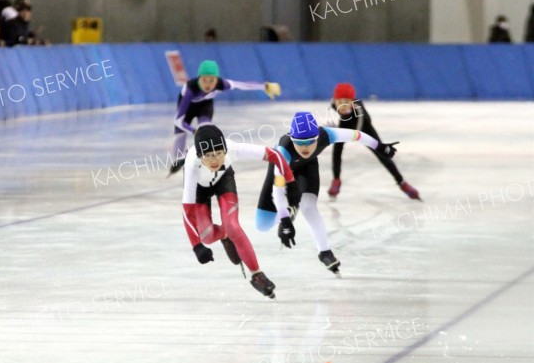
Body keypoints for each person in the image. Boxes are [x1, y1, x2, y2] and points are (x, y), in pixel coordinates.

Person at [256, 111, 398, 275]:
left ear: (317, 137)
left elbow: (357, 135)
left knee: (309, 207)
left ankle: (324, 252)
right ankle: (291, 208)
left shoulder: (327, 134)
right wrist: (285, 219)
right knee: (263, 225)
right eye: (299, 142)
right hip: (282, 171)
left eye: (310, 141)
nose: (305, 147)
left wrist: (379, 146)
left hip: (307, 168)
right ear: (292, 139)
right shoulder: (283, 151)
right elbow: (278, 189)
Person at [182, 125, 300, 299]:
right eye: (208, 156)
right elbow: (187, 211)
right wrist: (196, 245)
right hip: (200, 190)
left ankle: (256, 274)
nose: (215, 160)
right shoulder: (192, 165)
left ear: (225, 149)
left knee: (233, 226)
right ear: (200, 156)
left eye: (219, 153)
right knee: (206, 236)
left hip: (224, 181)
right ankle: (224, 235)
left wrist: (291, 181)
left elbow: (275, 155)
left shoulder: (232, 148)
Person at [168, 60, 281, 175]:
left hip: (205, 107)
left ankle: (203, 157)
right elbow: (177, 120)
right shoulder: (190, 88)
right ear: (199, 78)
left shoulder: (221, 84)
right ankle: (183, 156)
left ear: (217, 79)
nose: (208, 84)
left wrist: (264, 86)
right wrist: (193, 130)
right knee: (177, 150)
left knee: (205, 129)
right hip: (187, 110)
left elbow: (241, 85)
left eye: (211, 80)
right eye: (204, 80)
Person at [327, 83, 420, 200]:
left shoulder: (358, 109)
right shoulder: (333, 104)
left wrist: (354, 134)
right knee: (337, 150)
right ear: (334, 100)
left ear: (352, 101)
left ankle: (402, 183)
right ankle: (336, 180)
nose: (342, 105)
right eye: (339, 101)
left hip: (364, 128)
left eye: (346, 101)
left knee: (382, 155)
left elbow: (361, 127)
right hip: (345, 124)